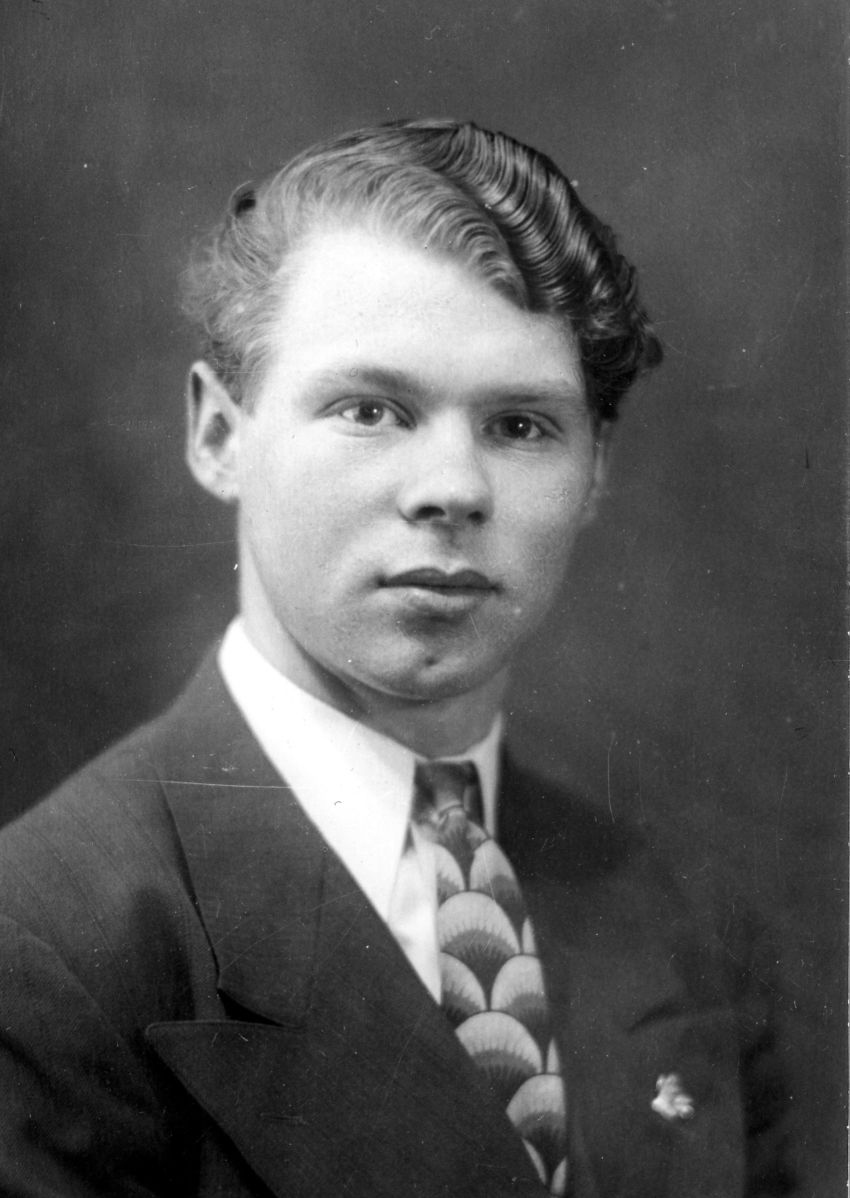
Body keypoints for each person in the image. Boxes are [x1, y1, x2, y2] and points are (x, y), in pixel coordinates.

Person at [0, 120, 792, 1196]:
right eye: (370, 410)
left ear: (595, 469)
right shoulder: (47, 943)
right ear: (219, 436)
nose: (453, 488)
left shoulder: (680, 923)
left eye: (521, 426)